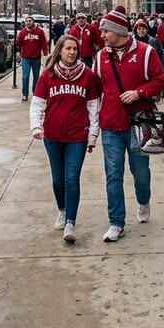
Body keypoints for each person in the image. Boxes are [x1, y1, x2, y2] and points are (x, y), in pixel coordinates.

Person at [93, 5, 164, 242]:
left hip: (139, 125)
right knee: (113, 174)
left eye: (106, 31)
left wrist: (140, 92)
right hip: (111, 125)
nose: (102, 35)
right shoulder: (101, 56)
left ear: (118, 30)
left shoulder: (146, 52)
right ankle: (116, 223)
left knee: (140, 173)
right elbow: (94, 89)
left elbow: (160, 81)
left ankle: (143, 201)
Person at [30, 34, 101, 243]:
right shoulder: (48, 75)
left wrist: (92, 135)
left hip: (77, 136)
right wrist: (35, 126)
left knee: (72, 178)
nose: (72, 53)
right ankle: (61, 210)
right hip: (52, 136)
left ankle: (70, 221)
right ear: (59, 50)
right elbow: (37, 103)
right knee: (58, 179)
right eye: (68, 49)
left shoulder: (87, 75)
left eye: (75, 49)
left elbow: (93, 107)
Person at [15, 15, 49, 101]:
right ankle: (25, 94)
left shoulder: (39, 32)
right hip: (26, 58)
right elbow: (18, 43)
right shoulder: (22, 33)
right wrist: (17, 51)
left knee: (36, 77)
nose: (28, 23)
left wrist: (45, 54)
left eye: (30, 21)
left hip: (36, 58)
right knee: (25, 76)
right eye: (27, 21)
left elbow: (44, 43)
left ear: (33, 22)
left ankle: (35, 93)